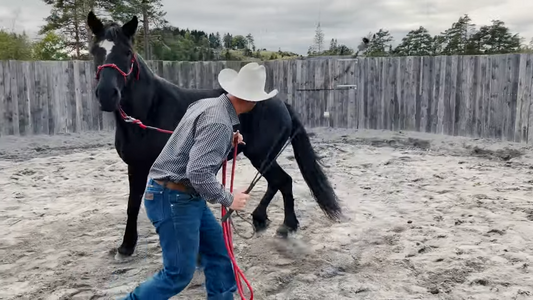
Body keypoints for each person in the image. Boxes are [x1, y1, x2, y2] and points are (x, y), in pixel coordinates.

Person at [122, 62, 278, 300]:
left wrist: (229, 137)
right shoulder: (219, 123)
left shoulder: (207, 105)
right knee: (177, 275)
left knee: (219, 255)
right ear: (251, 101)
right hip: (175, 199)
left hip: (181, 196)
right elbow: (199, 173)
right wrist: (230, 198)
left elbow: (195, 135)